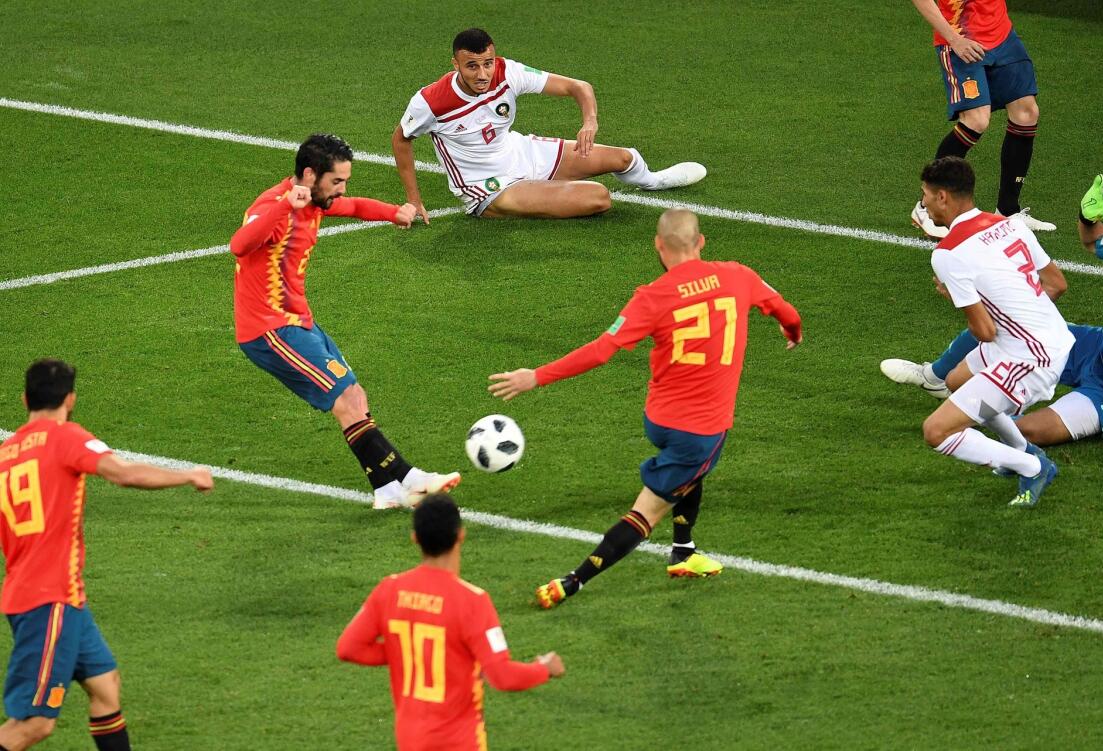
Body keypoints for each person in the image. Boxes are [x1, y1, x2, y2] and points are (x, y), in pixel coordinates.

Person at [487, 209, 803, 607]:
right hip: (700, 430)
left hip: (659, 419)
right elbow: (788, 314)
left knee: (691, 471)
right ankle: (572, 581)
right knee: (647, 512)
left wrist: (537, 375)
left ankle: (684, 553)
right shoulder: (739, 275)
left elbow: (602, 351)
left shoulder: (651, 297)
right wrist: (792, 332)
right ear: (701, 242)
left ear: (658, 245)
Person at [230, 133, 459, 510]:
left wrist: (393, 211)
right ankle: (411, 478)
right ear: (309, 175)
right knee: (346, 397)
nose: (341, 189)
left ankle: (386, 492)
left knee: (355, 397)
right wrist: (285, 206)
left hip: (297, 323)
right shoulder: (273, 206)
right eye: (336, 181)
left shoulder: (317, 201)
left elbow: (352, 207)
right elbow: (239, 244)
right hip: (269, 330)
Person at [884, 180, 1103, 446]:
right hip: (1095, 346)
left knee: (1026, 432)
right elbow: (1095, 240)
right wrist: (1087, 217)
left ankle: (992, 418)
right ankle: (934, 376)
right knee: (997, 333)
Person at [0, 359, 213, 751]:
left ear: (25, 399)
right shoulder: (65, 437)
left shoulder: (6, 453)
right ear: (70, 399)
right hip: (48, 600)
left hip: (52, 596)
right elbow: (123, 473)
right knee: (33, 724)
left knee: (105, 686)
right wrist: (188, 475)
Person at [392, 28, 706, 221]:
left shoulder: (508, 72)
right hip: (486, 186)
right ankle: (501, 206)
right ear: (456, 65)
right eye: (472, 66)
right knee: (598, 198)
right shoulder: (431, 101)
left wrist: (589, 122)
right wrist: (414, 199)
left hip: (522, 153)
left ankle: (652, 181)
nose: (482, 74)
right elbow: (401, 139)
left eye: (487, 63)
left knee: (624, 158)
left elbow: (578, 87)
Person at [336, 494, 564, 751]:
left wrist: (407, 649)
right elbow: (502, 676)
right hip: (459, 743)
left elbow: (348, 648)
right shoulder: (472, 602)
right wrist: (544, 668)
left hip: (410, 740)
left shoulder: (389, 590)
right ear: (461, 535)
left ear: (415, 539)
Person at [914, 157, 1073, 508]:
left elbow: (984, 331)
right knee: (957, 380)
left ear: (942, 197)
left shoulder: (948, 253)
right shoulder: (1011, 224)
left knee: (936, 431)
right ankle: (1022, 448)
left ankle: (1032, 466)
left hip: (1030, 357)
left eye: (925, 195)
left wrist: (956, 297)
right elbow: (1057, 284)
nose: (923, 203)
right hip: (1049, 336)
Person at [909, 0, 1055, 238]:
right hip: (960, 37)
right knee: (976, 119)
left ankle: (1007, 211)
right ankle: (926, 206)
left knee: (1027, 113)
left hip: (1001, 35)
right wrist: (954, 40)